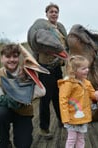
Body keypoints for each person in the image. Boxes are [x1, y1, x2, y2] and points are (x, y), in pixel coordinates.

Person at [0, 44, 46, 148]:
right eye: (8, 56)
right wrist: (23, 95)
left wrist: (24, 92)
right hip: (6, 110)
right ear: (2, 58)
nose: (12, 60)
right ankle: (5, 142)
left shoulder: (28, 72)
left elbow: (42, 91)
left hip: (24, 112)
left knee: (23, 144)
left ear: (18, 58)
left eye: (15, 56)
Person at [27, 3, 68, 138]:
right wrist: (34, 66)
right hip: (45, 69)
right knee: (45, 98)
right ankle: (44, 128)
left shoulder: (61, 29)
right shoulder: (41, 27)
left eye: (56, 12)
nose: (54, 14)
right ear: (47, 14)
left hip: (57, 68)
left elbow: (65, 47)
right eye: (51, 12)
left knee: (59, 96)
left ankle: (62, 120)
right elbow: (35, 49)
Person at [57, 55, 98, 148]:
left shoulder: (86, 82)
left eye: (87, 67)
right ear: (74, 70)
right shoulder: (68, 84)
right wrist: (65, 117)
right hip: (71, 117)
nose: (87, 70)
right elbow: (62, 100)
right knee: (71, 138)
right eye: (84, 68)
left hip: (82, 116)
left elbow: (92, 94)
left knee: (81, 138)